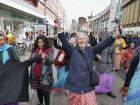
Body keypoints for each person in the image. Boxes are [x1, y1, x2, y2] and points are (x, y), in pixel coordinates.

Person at [55, 20, 119, 105]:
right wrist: (59, 27)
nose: (82, 41)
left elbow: (103, 44)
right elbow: (64, 41)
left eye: (84, 39)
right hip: (75, 86)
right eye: (80, 39)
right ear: (77, 41)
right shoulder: (72, 51)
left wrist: (113, 36)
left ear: (87, 40)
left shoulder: (91, 51)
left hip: (88, 85)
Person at [0, 31, 46, 105]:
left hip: (11, 77)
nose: (2, 41)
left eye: (4, 40)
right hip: (1, 77)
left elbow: (18, 62)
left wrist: (38, 57)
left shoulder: (10, 48)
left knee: (11, 96)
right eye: (0, 40)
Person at [30, 35, 54, 105]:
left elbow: (51, 61)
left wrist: (46, 58)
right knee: (39, 91)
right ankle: (41, 103)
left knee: (46, 93)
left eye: (42, 42)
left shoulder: (49, 50)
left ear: (45, 42)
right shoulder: (35, 50)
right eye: (38, 42)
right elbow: (30, 60)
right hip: (35, 75)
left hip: (45, 76)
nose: (40, 44)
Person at [94, 33, 116, 98]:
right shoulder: (100, 44)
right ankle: (95, 90)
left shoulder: (113, 45)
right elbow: (95, 52)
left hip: (109, 65)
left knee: (109, 79)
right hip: (101, 63)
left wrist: (114, 65)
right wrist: (97, 55)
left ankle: (109, 91)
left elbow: (113, 56)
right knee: (99, 78)